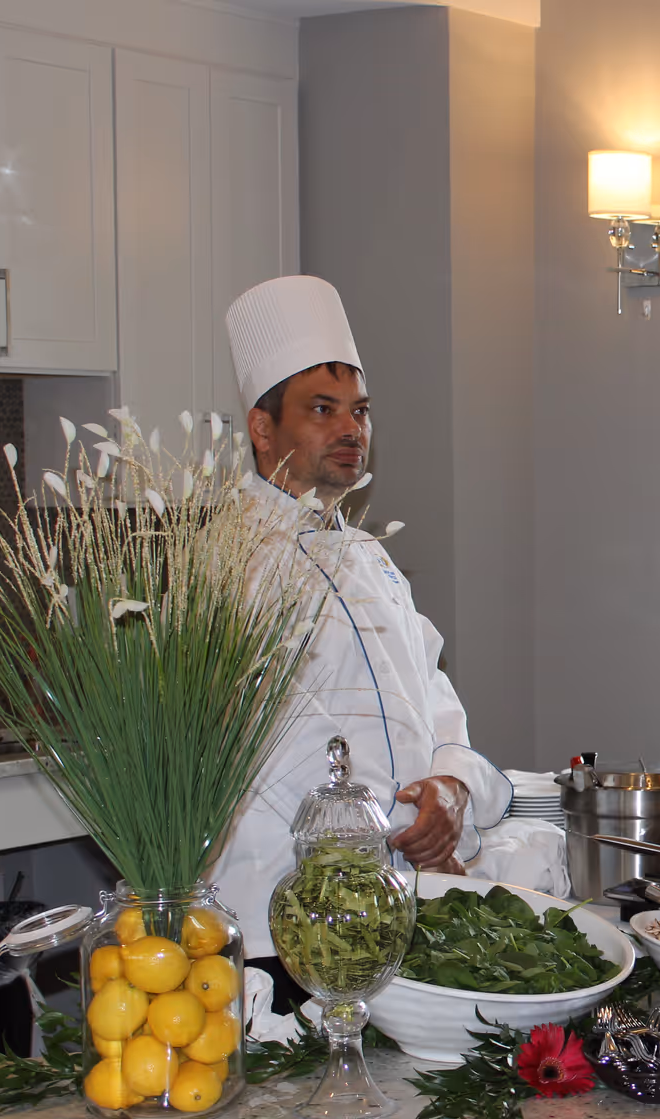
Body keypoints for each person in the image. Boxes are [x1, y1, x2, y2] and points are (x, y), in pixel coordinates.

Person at [213, 275, 565, 1006]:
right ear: (261, 427)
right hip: (292, 938)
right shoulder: (220, 571)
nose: (351, 430)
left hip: (402, 914)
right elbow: (241, 765)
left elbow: (440, 712)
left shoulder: (371, 562)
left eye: (361, 411)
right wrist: (398, 827)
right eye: (322, 409)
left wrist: (449, 790)